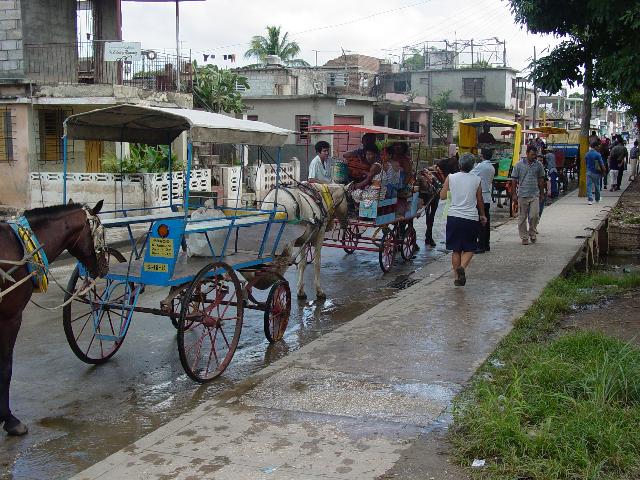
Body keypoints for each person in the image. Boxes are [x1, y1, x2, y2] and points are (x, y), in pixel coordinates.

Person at [440, 153, 487, 286]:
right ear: (472, 166)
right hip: (470, 218)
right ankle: (462, 267)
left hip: (454, 217)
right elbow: (479, 200)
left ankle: (456, 277)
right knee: (470, 248)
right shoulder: (477, 180)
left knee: (456, 249)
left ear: (460, 164)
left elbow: (442, 196)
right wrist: (482, 215)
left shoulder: (451, 177)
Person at [510, 145, 546, 245]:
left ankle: (532, 232)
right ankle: (524, 237)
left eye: (535, 154)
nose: (534, 156)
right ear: (527, 154)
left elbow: (541, 179)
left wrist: (542, 193)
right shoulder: (518, 165)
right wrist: (514, 194)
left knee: (534, 215)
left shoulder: (539, 165)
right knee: (522, 217)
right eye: (532, 154)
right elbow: (514, 180)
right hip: (522, 194)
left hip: (534, 194)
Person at [471, 148, 494, 253]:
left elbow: (470, 174)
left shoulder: (481, 166)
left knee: (480, 222)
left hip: (481, 197)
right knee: (486, 222)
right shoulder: (491, 167)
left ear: (482, 155)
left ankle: (480, 245)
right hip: (487, 197)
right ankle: (486, 244)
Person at [585, 140, 605, 205]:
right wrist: (604, 170)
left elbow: (586, 163)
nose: (599, 147)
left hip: (588, 172)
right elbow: (601, 164)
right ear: (595, 146)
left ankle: (590, 200)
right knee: (597, 186)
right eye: (598, 146)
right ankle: (597, 199)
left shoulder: (587, 154)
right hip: (596, 172)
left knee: (589, 186)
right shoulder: (598, 154)